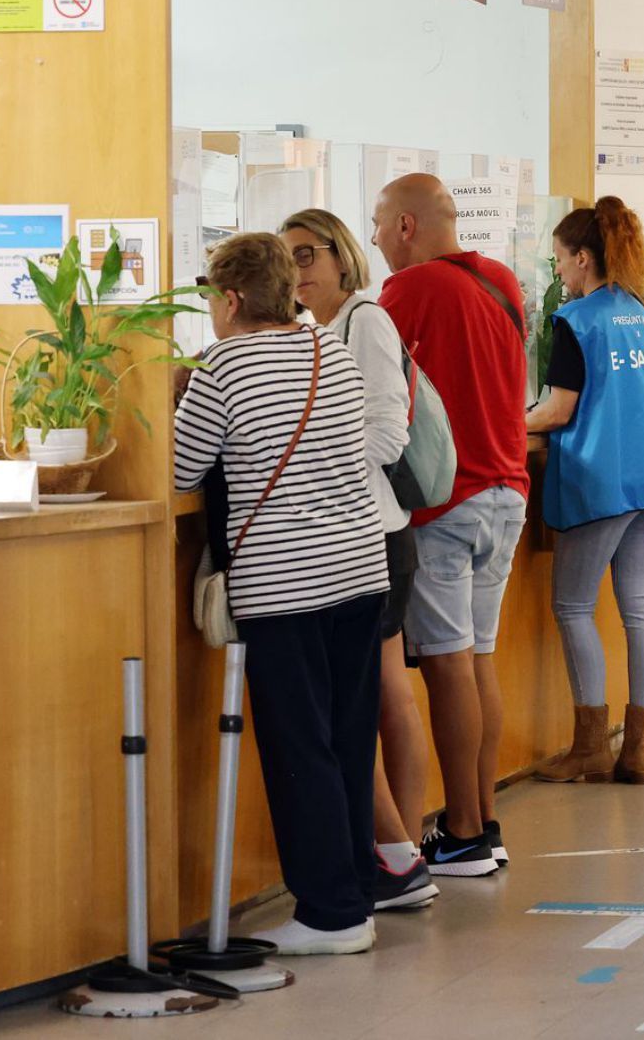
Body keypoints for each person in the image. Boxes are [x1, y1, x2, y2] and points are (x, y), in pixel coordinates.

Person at [174, 233, 392, 955]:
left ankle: (330, 915)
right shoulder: (327, 346)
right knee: (349, 735)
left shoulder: (223, 366)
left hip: (286, 583)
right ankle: (354, 892)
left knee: (301, 745)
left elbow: (178, 469)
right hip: (360, 570)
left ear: (230, 299)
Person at [525, 198, 644, 785]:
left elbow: (558, 411)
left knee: (574, 605)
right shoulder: (640, 313)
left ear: (582, 258)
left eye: (560, 259)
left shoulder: (577, 321)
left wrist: (498, 424)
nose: (558, 272)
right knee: (641, 607)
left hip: (599, 482)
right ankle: (636, 750)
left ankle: (589, 747)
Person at [282, 208, 437, 911]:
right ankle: (400, 852)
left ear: (344, 258)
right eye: (287, 260)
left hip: (374, 529)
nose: (298, 271)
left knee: (382, 696)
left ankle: (400, 853)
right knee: (375, 694)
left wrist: (322, 468)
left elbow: (386, 430)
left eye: (308, 254)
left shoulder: (365, 321)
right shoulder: (322, 332)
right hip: (360, 529)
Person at [374, 173, 527, 877]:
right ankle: (483, 821)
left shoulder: (408, 291)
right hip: (506, 489)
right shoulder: (501, 281)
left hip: (447, 502)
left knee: (445, 664)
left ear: (406, 225)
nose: (374, 240)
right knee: (479, 658)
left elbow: (370, 384)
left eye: (378, 225)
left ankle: (461, 830)